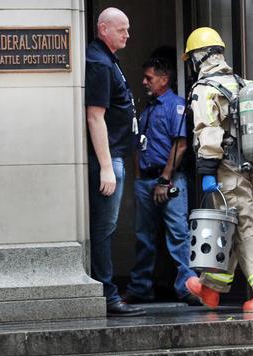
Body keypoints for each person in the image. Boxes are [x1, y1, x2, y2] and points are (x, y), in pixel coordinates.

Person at [182, 27, 253, 313]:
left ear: (198, 58)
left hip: (227, 169)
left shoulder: (206, 90)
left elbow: (208, 132)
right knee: (230, 225)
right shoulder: (243, 83)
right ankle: (211, 288)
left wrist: (207, 172)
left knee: (246, 226)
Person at [123, 57, 200, 306]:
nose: (144, 82)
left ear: (164, 79)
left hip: (168, 180)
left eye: (150, 78)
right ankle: (140, 288)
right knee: (144, 237)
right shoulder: (148, 108)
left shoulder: (174, 106)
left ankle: (188, 287)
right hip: (146, 181)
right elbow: (139, 145)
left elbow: (180, 145)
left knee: (178, 235)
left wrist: (164, 180)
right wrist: (138, 178)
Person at [85, 7, 145, 317]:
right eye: (122, 29)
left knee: (106, 229)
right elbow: (95, 116)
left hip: (116, 155)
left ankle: (107, 292)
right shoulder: (98, 63)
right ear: (105, 29)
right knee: (104, 230)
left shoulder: (107, 60)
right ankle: (107, 295)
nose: (127, 35)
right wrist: (107, 166)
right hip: (109, 159)